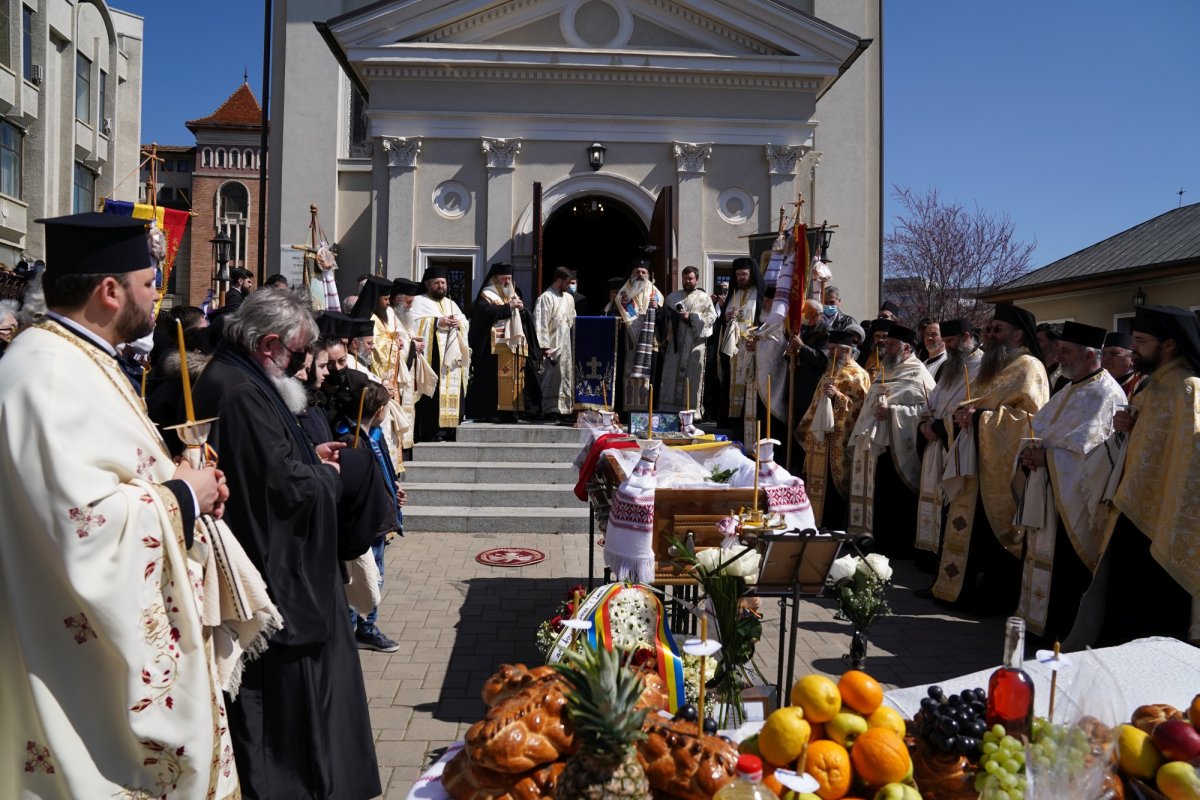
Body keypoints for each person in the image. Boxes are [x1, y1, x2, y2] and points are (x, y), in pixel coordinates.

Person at [0, 212, 241, 798]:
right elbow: (79, 526)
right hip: (75, 663)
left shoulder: (79, 356)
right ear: (110, 291)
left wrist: (186, 482)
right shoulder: (47, 372)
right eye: (150, 282)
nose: (157, 296)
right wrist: (185, 494)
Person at [191, 289, 386, 799]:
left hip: (284, 572)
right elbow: (279, 492)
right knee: (289, 730)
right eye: (300, 352)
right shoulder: (239, 390)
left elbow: (274, 461)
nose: (305, 364)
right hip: (277, 585)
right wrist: (330, 475)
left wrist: (309, 451)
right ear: (270, 345)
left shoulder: (246, 378)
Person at [1012, 322, 1125, 643]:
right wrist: (1032, 453)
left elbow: (1093, 455)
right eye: (1059, 349)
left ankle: (1058, 633)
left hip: (1072, 501)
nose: (1057, 355)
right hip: (1047, 489)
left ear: (1090, 355)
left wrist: (1045, 459)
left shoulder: (1106, 394)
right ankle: (1033, 623)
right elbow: (1042, 429)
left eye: (1065, 351)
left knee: (1065, 568)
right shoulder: (1069, 386)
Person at [933, 303, 1049, 613]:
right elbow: (970, 404)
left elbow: (1029, 420)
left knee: (992, 536)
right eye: (988, 329)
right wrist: (958, 417)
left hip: (1002, 470)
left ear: (1018, 333)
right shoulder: (991, 366)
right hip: (975, 461)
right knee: (968, 532)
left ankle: (992, 600)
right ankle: (958, 590)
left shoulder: (1029, 367)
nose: (990, 335)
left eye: (997, 329)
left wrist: (980, 417)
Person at [1098, 305, 1200, 645]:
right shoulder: (1149, 387)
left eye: (1141, 340)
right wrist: (1127, 426)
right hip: (1132, 506)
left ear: (1168, 344)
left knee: (1154, 606)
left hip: (1165, 516)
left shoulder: (1190, 389)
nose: (1134, 347)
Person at [846, 323, 935, 556]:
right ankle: (876, 538)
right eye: (887, 344)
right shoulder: (885, 371)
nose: (887, 348)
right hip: (876, 447)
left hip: (901, 448)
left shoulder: (919, 373)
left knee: (898, 499)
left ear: (906, 349)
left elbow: (926, 411)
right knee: (879, 495)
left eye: (893, 344)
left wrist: (893, 411)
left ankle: (900, 546)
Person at [334, 381, 405, 654]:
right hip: (365, 522)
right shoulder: (350, 439)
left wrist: (393, 487)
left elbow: (382, 469)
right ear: (378, 409)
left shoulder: (373, 435)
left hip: (379, 516)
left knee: (373, 575)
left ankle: (362, 626)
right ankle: (358, 628)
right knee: (364, 578)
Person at [913, 318, 982, 587]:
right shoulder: (951, 367)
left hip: (958, 447)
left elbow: (974, 405)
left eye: (951, 342)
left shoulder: (981, 366)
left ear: (966, 337)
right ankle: (931, 560)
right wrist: (923, 425)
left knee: (951, 507)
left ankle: (947, 569)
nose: (947, 346)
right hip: (935, 444)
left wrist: (940, 429)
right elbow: (932, 401)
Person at [796, 327, 870, 528]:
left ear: (846, 350)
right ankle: (816, 524)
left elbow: (860, 409)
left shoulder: (858, 375)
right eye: (829, 349)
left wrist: (837, 397)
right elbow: (815, 405)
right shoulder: (828, 373)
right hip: (820, 441)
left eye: (833, 349)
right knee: (816, 483)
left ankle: (835, 527)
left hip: (839, 441)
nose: (828, 353)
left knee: (835, 489)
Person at [466, 262, 540, 422]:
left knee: (516, 379)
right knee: (492, 382)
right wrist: (508, 308)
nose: (507, 281)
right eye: (504, 278)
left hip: (514, 347)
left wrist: (522, 310)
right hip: (492, 351)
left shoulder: (512, 294)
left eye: (509, 278)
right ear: (495, 278)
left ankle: (514, 411)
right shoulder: (486, 296)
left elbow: (524, 316)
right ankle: (493, 413)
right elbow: (483, 314)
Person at [411, 265, 470, 440]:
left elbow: (465, 323)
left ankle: (451, 429)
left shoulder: (451, 303)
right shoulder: (418, 301)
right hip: (433, 358)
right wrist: (437, 322)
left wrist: (457, 324)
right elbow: (412, 323)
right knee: (433, 394)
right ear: (428, 284)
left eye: (443, 283)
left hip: (452, 361)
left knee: (453, 391)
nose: (440, 286)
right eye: (436, 283)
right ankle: (434, 431)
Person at [660, 265, 717, 414]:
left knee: (692, 380)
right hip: (675, 346)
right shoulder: (672, 297)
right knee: (670, 377)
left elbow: (712, 317)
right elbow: (664, 320)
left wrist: (691, 317)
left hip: (694, 345)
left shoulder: (704, 298)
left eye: (690, 278)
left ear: (696, 280)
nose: (687, 281)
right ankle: (669, 410)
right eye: (685, 278)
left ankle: (692, 413)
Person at [718, 257, 761, 425]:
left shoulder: (759, 292)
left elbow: (763, 319)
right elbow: (722, 321)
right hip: (733, 348)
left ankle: (745, 424)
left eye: (744, 274)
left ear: (751, 274)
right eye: (738, 274)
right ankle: (729, 423)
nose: (741, 277)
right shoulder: (733, 293)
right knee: (730, 384)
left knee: (748, 385)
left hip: (750, 347)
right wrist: (726, 317)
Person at [535, 266, 578, 422]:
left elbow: (573, 319)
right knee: (551, 377)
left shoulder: (569, 298)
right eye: (568, 283)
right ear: (559, 280)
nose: (570, 286)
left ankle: (565, 409)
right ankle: (550, 409)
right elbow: (540, 323)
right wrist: (545, 347)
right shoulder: (545, 297)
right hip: (553, 345)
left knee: (565, 376)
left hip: (567, 344)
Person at [1101, 331, 1149, 399]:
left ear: (1132, 359)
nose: (1105, 358)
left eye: (1114, 353)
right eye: (1103, 354)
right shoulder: (1099, 382)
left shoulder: (1145, 384)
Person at [1037, 321, 1070, 395]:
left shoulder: (1066, 377)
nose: (1035, 345)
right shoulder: (1036, 369)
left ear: (1056, 345)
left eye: (1039, 341)